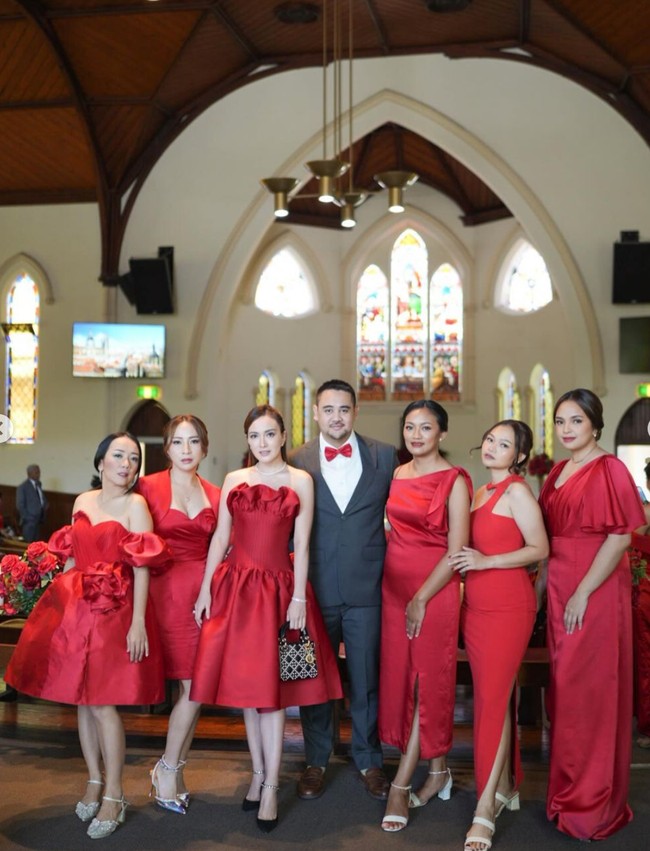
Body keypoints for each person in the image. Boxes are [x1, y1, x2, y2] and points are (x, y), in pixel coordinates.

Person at [5, 433, 170, 839]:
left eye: (134, 458)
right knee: (80, 701)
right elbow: (74, 559)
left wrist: (137, 624)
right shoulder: (81, 501)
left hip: (115, 611)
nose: (127, 464)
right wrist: (57, 610)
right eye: (119, 455)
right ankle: (94, 779)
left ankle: (115, 792)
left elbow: (144, 566)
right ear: (101, 462)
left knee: (101, 704)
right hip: (78, 608)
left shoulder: (136, 506)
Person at [190, 405, 342, 831]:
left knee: (271, 694)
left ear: (283, 436)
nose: (262, 443)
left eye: (269, 434)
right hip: (237, 589)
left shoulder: (301, 481)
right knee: (247, 692)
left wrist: (297, 597)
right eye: (254, 436)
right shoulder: (235, 481)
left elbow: (304, 543)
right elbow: (221, 536)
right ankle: (257, 775)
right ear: (248, 440)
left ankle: (273, 785)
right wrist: (205, 589)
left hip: (278, 590)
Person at [538, 389, 646, 840]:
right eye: (561, 421)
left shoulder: (611, 468)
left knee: (592, 692)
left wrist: (582, 591)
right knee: (565, 691)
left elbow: (622, 536)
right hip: (562, 584)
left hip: (596, 589)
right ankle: (567, 792)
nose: (566, 429)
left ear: (595, 425)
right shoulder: (559, 471)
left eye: (576, 421)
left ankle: (595, 803)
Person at [290, 378, 397, 801]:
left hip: (368, 587)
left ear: (356, 412)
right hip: (313, 588)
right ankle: (316, 759)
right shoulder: (295, 458)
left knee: (365, 677)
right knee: (314, 678)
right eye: (328, 409)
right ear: (315, 413)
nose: (337, 417)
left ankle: (370, 759)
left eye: (344, 409)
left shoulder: (385, 456)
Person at [449, 420, 548, 851]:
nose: (492, 447)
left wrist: (486, 564)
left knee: (491, 702)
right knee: (495, 699)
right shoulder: (479, 492)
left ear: (519, 457)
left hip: (509, 608)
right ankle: (505, 785)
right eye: (490, 439)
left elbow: (539, 548)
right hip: (477, 607)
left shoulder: (517, 492)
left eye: (504, 444)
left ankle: (485, 808)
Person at [378, 400, 471, 832]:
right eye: (410, 427)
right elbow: (393, 529)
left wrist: (420, 598)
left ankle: (400, 783)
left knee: (425, 683)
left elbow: (456, 551)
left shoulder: (454, 481)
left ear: (442, 434)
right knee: (401, 681)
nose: (416, 435)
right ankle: (438, 773)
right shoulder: (398, 474)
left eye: (426, 427)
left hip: (433, 592)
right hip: (393, 590)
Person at [136, 415, 221, 812]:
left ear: (205, 447)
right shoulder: (147, 488)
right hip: (161, 593)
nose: (186, 450)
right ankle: (169, 768)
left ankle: (172, 769)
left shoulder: (218, 494)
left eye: (194, 442)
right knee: (189, 685)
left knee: (197, 688)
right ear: (166, 448)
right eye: (178, 443)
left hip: (204, 598)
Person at [632, 458, 650, 748]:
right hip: (644, 593)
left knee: (646, 661)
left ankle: (648, 727)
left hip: (645, 594)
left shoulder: (643, 515)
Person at [16, 464, 48, 542]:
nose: (39, 474)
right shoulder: (23, 487)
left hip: (38, 520)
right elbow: (20, 505)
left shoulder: (38, 484)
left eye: (39, 472)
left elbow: (40, 498)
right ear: (29, 473)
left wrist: (45, 504)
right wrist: (28, 518)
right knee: (28, 544)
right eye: (36, 472)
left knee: (35, 544)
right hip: (29, 522)